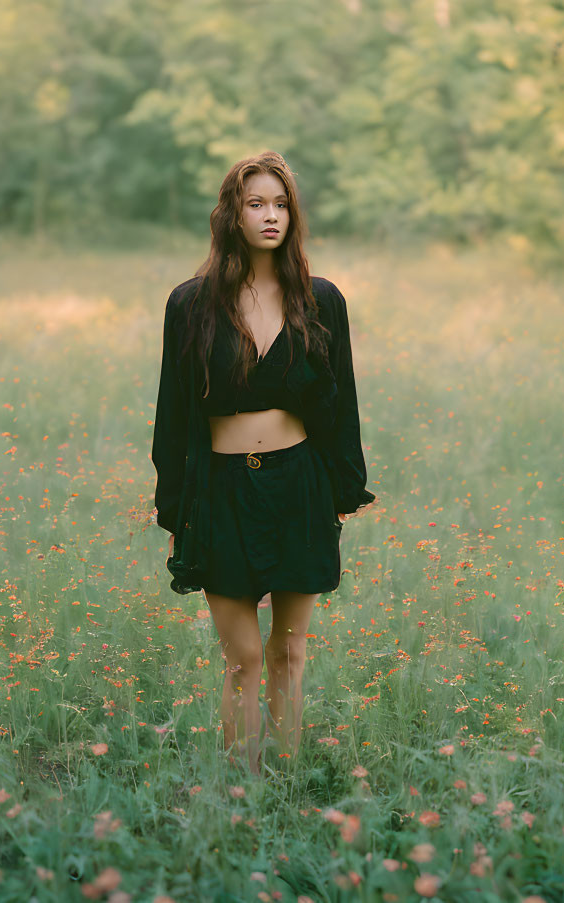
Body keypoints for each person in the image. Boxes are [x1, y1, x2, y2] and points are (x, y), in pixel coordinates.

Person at [151, 150, 376, 776]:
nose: (270, 215)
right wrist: (176, 506)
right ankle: (243, 787)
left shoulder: (320, 300)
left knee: (289, 652)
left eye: (281, 203)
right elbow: (173, 413)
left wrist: (341, 490)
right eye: (256, 203)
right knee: (244, 656)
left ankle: (285, 780)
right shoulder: (190, 305)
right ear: (232, 214)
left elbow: (344, 403)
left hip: (298, 483)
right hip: (221, 490)